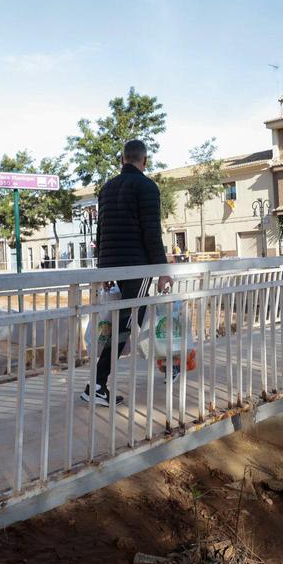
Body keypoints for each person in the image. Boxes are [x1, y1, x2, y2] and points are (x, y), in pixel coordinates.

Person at [82, 139, 173, 406]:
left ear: (122, 159)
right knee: (128, 324)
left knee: (123, 323)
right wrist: (162, 270)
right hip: (138, 266)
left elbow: (101, 231)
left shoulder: (107, 188)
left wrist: (103, 269)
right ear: (144, 161)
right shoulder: (147, 187)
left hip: (113, 264)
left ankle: (99, 382)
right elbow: (151, 232)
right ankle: (97, 384)